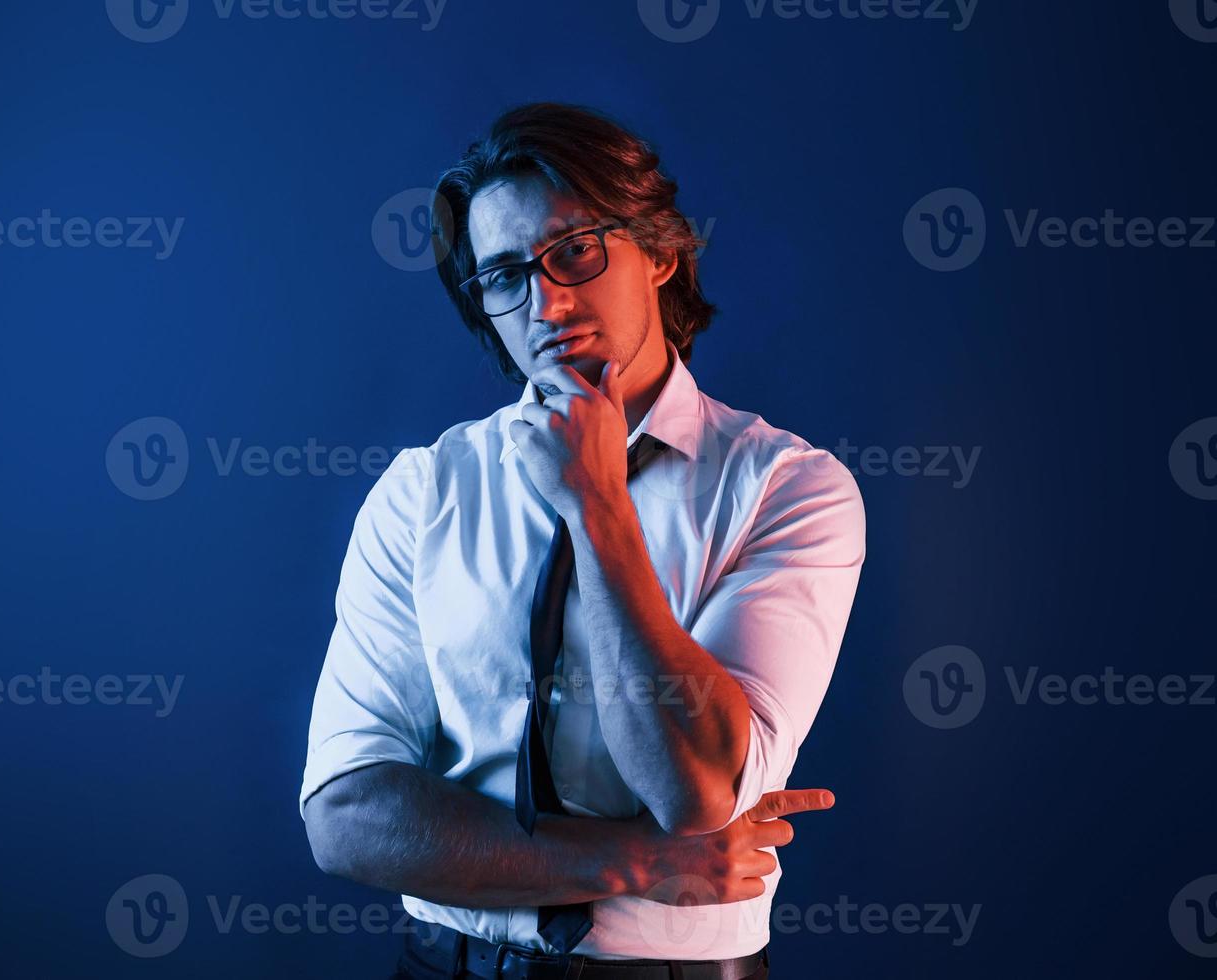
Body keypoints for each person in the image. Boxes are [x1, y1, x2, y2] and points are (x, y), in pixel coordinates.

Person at [300, 102, 866, 979]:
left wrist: (596, 503)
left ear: (661, 249)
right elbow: (347, 816)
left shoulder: (789, 490)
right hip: (443, 966)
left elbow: (694, 791)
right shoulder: (423, 492)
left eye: (575, 251)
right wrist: (637, 863)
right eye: (504, 276)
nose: (546, 302)